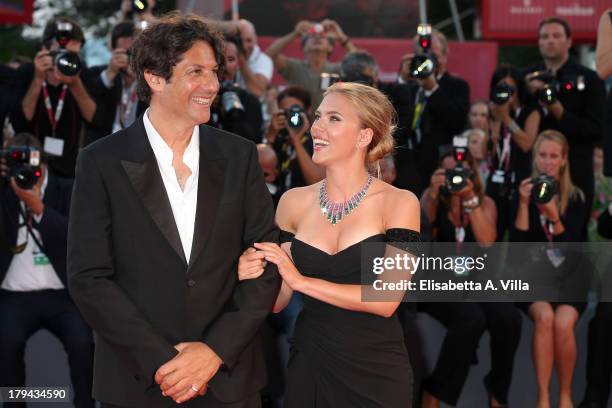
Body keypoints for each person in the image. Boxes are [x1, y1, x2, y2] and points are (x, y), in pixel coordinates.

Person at [67, 13, 281, 408]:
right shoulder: (102, 162)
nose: (213, 85)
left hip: (229, 379)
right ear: (154, 77)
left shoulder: (239, 156)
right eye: (195, 71)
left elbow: (267, 263)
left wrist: (213, 352)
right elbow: (89, 277)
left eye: (215, 72)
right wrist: (164, 364)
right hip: (140, 383)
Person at [238, 82, 420, 407]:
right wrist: (251, 275)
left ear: (364, 136)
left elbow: (386, 300)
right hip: (310, 360)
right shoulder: (292, 203)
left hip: (377, 369)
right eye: (318, 116)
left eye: (333, 119)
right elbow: (278, 302)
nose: (316, 127)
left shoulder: (400, 203)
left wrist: (302, 281)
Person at [420, 146, 520, 408]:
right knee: (471, 318)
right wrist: (432, 193)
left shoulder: (485, 202)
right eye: (449, 172)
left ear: (472, 173)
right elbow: (419, 233)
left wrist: (469, 198)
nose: (455, 177)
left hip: (477, 282)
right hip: (437, 283)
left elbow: (487, 241)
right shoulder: (431, 199)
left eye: (461, 172)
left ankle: (498, 393)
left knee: (508, 317)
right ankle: (434, 392)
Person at [0, 133, 94, 408]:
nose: (26, 172)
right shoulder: (4, 192)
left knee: (82, 344)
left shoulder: (68, 190)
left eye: (31, 163)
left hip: (63, 294)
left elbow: (80, 236)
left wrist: (37, 207)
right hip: (14, 295)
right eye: (17, 164)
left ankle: (86, 404)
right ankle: (14, 405)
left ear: (45, 162)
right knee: (6, 344)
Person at [511, 130, 587, 408]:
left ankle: (565, 395)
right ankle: (543, 396)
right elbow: (517, 252)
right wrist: (521, 204)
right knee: (544, 317)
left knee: (564, 323)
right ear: (535, 158)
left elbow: (573, 256)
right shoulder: (523, 193)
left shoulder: (577, 198)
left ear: (564, 160)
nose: (547, 162)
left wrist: (556, 219)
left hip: (570, 280)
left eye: (554, 156)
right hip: (533, 280)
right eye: (542, 155)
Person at [526, 18, 607, 239]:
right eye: (544, 36)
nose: (550, 41)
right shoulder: (527, 77)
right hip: (534, 169)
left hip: (576, 173)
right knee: (532, 235)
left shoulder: (589, 79)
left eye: (556, 36)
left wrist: (558, 110)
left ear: (569, 41)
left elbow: (597, 129)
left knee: (574, 238)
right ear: (538, 42)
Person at [12, 17, 96, 178]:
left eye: (73, 55)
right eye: (62, 53)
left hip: (68, 170)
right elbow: (22, 119)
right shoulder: (26, 73)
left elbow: (94, 118)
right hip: (28, 166)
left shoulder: (81, 73)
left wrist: (75, 83)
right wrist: (37, 79)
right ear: (44, 49)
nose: (67, 60)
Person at [404, 29, 470, 197]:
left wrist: (432, 88)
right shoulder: (407, 88)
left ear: (445, 55)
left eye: (432, 53)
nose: (426, 58)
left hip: (439, 167)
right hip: (408, 168)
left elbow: (457, 122)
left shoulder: (458, 86)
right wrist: (402, 78)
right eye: (420, 53)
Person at [488, 65, 541, 240]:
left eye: (510, 88)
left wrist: (506, 119)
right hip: (496, 181)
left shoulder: (531, 112)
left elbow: (526, 144)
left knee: (518, 239)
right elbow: (486, 151)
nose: (506, 93)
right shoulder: (493, 111)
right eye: (501, 88)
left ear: (518, 88)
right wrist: (494, 126)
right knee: (491, 237)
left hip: (520, 182)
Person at [266, 19, 356, 108]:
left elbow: (361, 64)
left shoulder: (337, 69)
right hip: (299, 119)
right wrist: (295, 33)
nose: (317, 38)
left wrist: (342, 38)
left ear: (330, 47)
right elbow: (269, 55)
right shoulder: (294, 67)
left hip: (327, 120)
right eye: (312, 36)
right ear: (304, 47)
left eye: (322, 36)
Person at [85, 21, 147, 145]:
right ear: (112, 51)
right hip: (104, 147)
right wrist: (110, 73)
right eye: (123, 52)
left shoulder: (150, 77)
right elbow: (92, 95)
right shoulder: (98, 72)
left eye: (133, 53)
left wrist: (138, 76)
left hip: (138, 148)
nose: (129, 58)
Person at [265, 86, 323, 190]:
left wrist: (296, 140)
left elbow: (315, 182)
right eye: (287, 112)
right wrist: (270, 137)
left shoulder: (318, 142)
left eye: (295, 110)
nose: (293, 117)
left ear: (308, 110)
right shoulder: (278, 140)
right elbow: (261, 173)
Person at [209, 32, 263, 144]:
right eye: (219, 59)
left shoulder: (250, 102)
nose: (224, 66)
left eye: (230, 59)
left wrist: (234, 115)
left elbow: (253, 144)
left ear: (239, 64)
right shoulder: (197, 100)